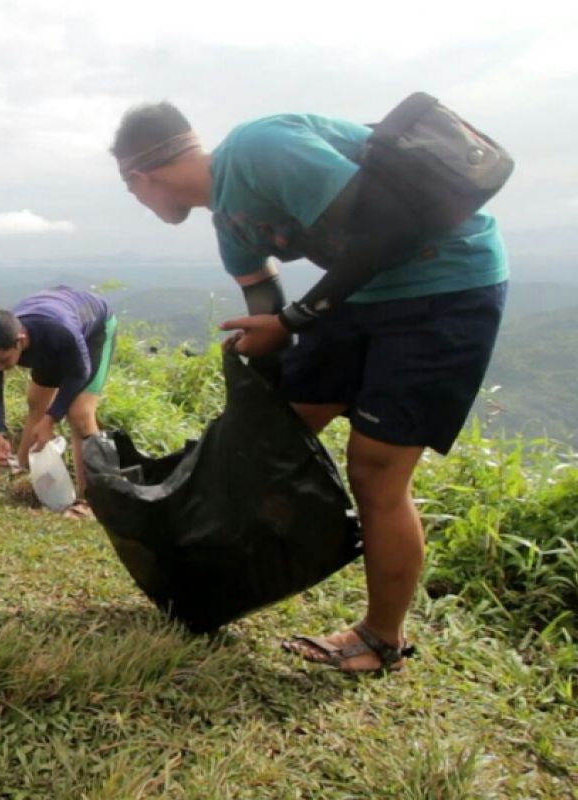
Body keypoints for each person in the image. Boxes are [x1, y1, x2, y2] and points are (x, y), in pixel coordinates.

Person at [111, 101, 508, 673]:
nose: (142, 206)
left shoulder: (259, 148)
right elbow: (266, 309)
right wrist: (255, 378)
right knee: (274, 437)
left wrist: (292, 322)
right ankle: (216, 586)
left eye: (133, 194)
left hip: (446, 288)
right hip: (357, 296)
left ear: (139, 177)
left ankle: (381, 640)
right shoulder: (230, 225)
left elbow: (387, 228)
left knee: (375, 469)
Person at [0, 287, 118, 518]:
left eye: (3, 360)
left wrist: (51, 419)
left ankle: (90, 500)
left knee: (80, 414)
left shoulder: (60, 331)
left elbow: (80, 372)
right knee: (36, 402)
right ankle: (22, 469)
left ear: (19, 341)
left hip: (93, 332)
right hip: (47, 342)